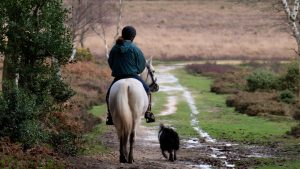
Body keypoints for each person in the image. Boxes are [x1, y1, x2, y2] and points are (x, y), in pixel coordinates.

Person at [106, 26, 155, 125]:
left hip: (118, 77)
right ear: (133, 37)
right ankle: (148, 113)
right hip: (133, 75)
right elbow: (142, 65)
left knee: (108, 95)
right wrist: (136, 70)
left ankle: (110, 116)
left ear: (123, 35)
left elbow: (110, 62)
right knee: (148, 90)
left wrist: (117, 70)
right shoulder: (135, 48)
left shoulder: (115, 48)